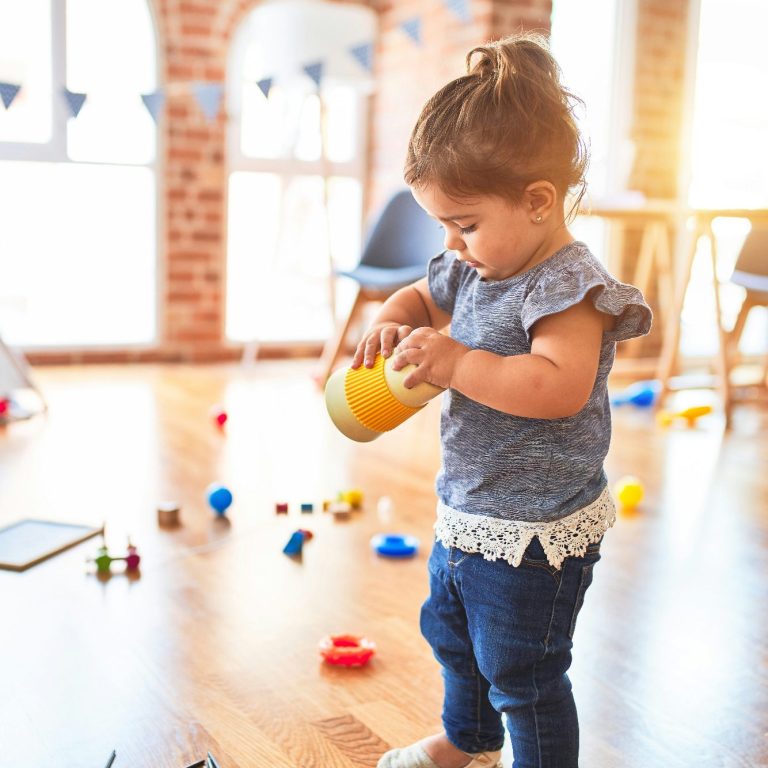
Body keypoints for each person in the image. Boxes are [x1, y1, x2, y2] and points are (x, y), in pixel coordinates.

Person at [351, 33, 652, 768]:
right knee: (453, 636)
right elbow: (424, 294)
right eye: (443, 226)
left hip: (538, 532)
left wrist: (456, 360)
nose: (452, 244)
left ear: (539, 202)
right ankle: (467, 737)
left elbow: (557, 387)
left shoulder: (567, 290)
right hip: (471, 504)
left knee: (524, 670)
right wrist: (395, 316)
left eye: (466, 223)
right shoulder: (477, 265)